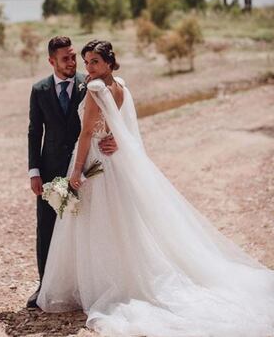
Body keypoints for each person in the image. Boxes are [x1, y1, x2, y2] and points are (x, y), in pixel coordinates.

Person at [36, 40, 274, 336]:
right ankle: (109, 277)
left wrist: (76, 171)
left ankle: (104, 283)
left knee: (98, 222)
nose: (89, 68)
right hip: (113, 163)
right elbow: (122, 126)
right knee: (118, 220)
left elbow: (87, 132)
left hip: (96, 161)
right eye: (86, 62)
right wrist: (115, 140)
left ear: (110, 62)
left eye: (94, 62)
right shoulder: (120, 85)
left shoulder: (96, 88)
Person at [26, 36, 117, 309]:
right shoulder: (39, 89)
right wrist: (34, 171)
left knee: (83, 224)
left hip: (85, 165)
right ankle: (45, 285)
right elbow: (34, 132)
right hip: (51, 167)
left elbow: (110, 114)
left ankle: (82, 284)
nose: (72, 62)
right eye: (65, 58)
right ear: (51, 61)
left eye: (73, 56)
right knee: (47, 225)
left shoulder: (89, 81)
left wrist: (114, 138)